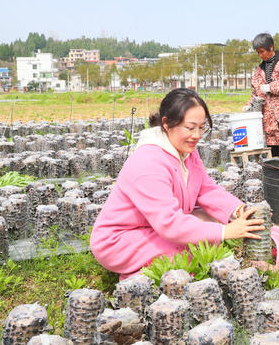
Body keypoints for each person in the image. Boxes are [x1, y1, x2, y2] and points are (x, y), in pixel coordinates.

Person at [90, 88, 264, 279]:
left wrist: (240, 212)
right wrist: (225, 231)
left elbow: (206, 189)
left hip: (152, 227)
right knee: (194, 253)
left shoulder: (186, 150)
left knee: (208, 232)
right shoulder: (148, 163)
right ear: (166, 123)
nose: (197, 135)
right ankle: (136, 280)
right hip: (121, 240)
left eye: (201, 127)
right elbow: (169, 223)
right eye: (190, 128)